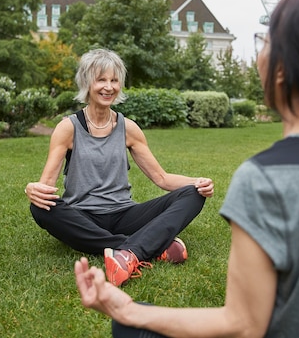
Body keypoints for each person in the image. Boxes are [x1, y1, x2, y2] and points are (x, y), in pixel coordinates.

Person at [74, 0, 299, 337]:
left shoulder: (265, 179)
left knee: (130, 327)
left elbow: (243, 326)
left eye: (265, 42)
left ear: (282, 69)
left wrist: (128, 310)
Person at [26, 48, 214, 287]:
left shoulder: (129, 128)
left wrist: (198, 182)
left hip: (124, 213)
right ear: (87, 83)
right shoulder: (68, 128)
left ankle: (127, 251)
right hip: (84, 216)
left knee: (193, 194)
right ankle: (145, 246)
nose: (108, 87)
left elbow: (162, 178)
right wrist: (32, 189)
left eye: (114, 80)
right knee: (40, 208)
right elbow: (46, 187)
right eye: (101, 79)